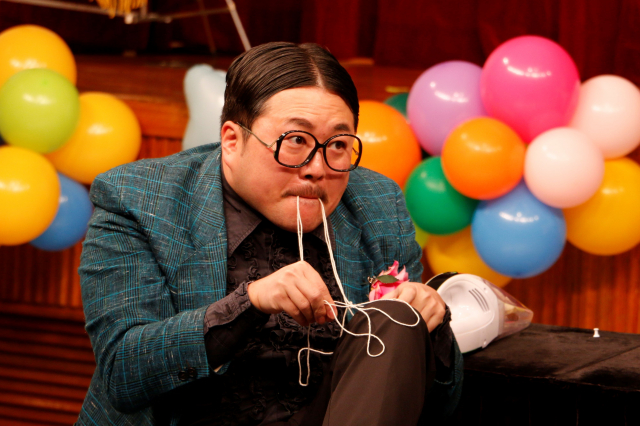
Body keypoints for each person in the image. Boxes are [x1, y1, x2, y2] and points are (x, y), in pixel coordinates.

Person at [76, 42, 463, 426]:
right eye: (296, 140)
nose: (317, 169)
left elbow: (436, 405)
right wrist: (251, 301)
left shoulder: (377, 204)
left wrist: (429, 328)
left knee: (396, 319)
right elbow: (123, 371)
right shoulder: (140, 198)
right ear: (232, 141)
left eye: (338, 145)